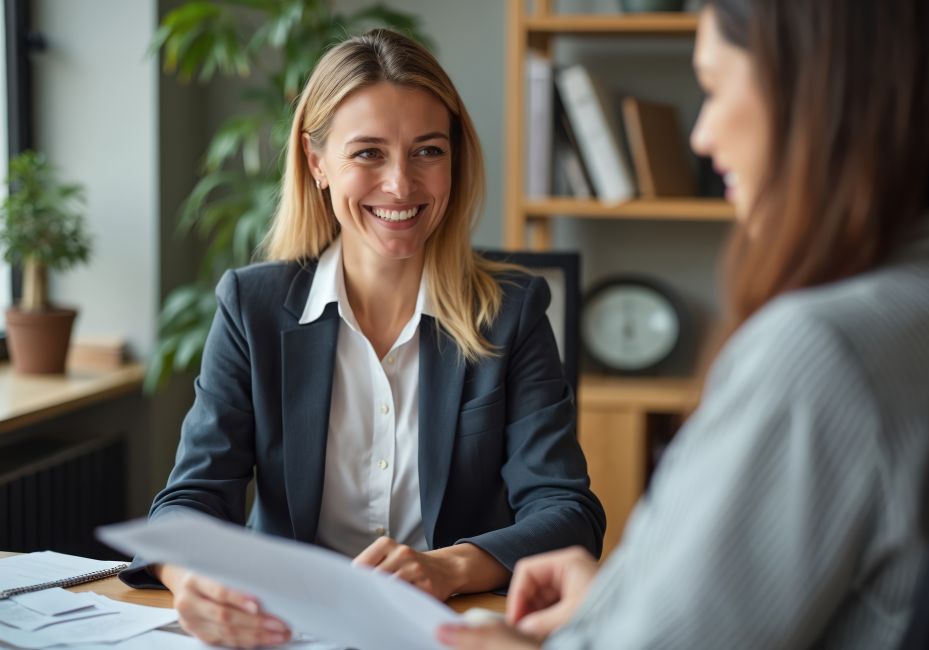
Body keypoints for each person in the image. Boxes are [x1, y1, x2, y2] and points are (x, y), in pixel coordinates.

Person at [438, 0, 929, 648]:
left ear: (819, 92)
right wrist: (624, 593)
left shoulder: (822, 355)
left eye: (713, 87)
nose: (701, 136)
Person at [119, 29, 605, 648]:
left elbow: (568, 515)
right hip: (285, 632)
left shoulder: (509, 312)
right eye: (369, 153)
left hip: (448, 631)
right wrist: (190, 580)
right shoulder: (254, 308)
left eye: (427, 151)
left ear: (454, 160)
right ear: (317, 162)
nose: (401, 185)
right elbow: (188, 500)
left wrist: (448, 565)